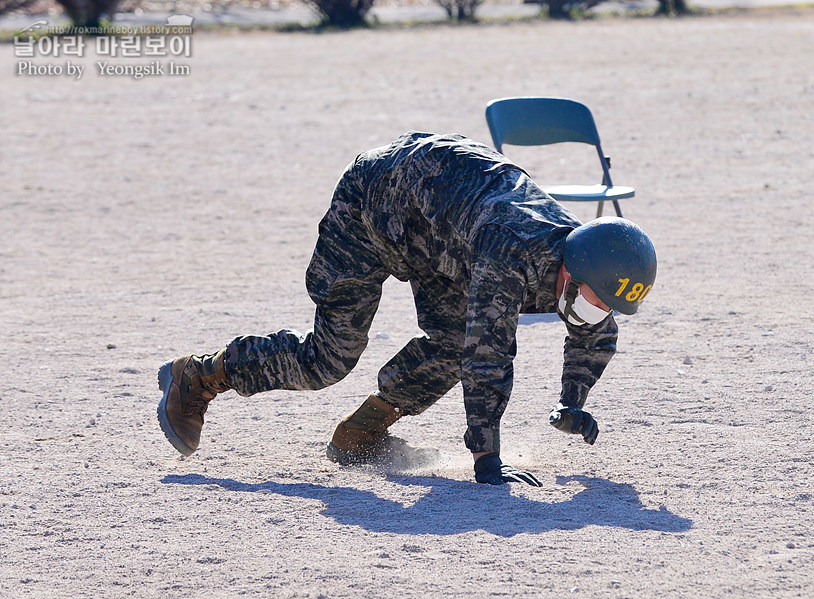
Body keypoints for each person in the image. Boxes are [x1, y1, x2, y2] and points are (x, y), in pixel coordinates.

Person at [157, 131, 657, 487]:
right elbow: (489, 358)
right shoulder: (511, 250)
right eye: (596, 299)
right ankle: (200, 376)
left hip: (438, 236)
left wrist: (573, 401)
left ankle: (360, 433)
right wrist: (488, 459)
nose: (595, 311)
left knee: (452, 342)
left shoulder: (590, 261)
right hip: (372, 205)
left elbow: (594, 335)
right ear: (573, 271)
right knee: (330, 358)